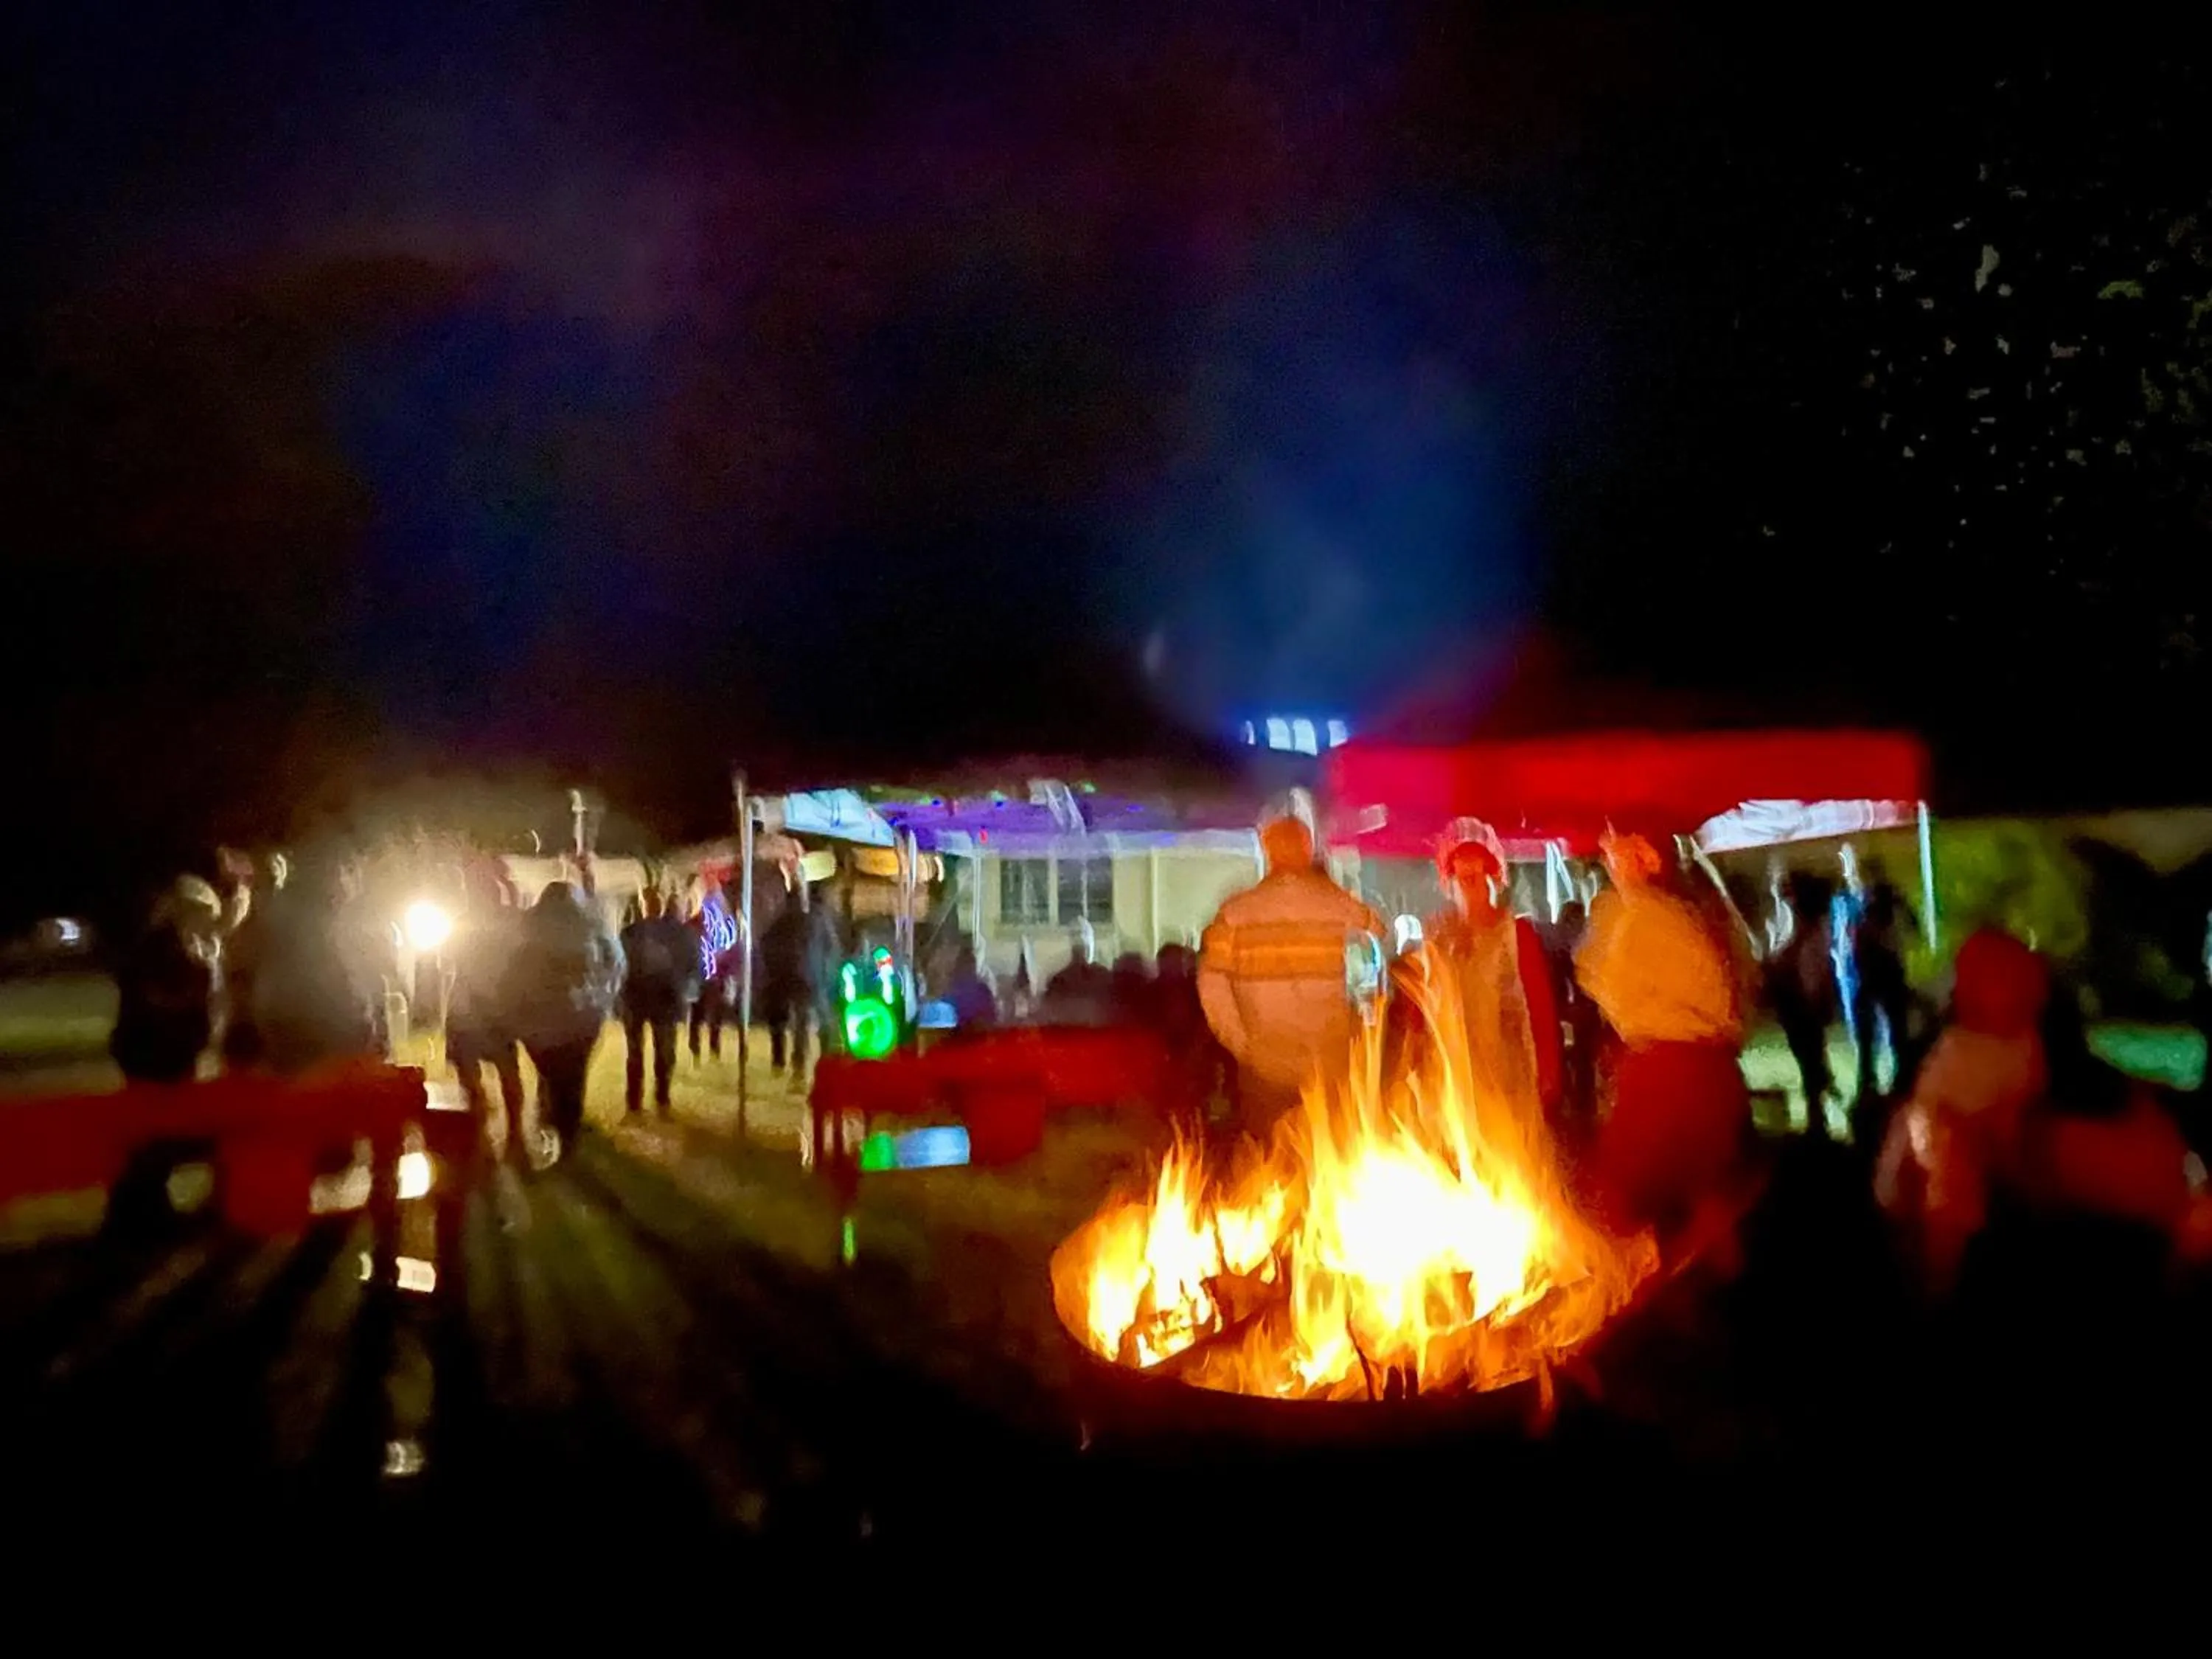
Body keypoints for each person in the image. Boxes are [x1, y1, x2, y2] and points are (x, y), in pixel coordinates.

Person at [1575, 819, 1751, 1253]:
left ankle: (1650, 1292)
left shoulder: (1648, 915)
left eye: (1616, 850)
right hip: (1691, 1069)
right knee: (1698, 1193)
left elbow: (1612, 981)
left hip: (1672, 1071)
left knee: (1627, 1195)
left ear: (1643, 858)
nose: (1606, 858)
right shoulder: (1665, 912)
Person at [1197, 801, 1385, 1140]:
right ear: (1309, 847)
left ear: (1266, 847)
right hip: (1330, 1065)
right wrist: (1357, 1041)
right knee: (1330, 1165)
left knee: (1269, 1170)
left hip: (1266, 1068)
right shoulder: (1347, 911)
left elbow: (1213, 989)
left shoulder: (1236, 915)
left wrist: (1244, 1045)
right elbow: (1373, 979)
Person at [1390, 824, 1563, 1117]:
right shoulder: (1436, 936)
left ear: (1493, 879)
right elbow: (1420, 1006)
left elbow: (1539, 1004)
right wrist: (1412, 1058)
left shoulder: (1514, 934)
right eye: (1462, 875)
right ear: (1449, 881)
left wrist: (1548, 1067)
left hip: (1504, 1068)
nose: (1470, 883)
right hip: (1449, 1068)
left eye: (1478, 875)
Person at [504, 881, 625, 1158]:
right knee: (573, 1075)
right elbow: (616, 964)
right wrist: (603, 997)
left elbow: (511, 967)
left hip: (539, 1020)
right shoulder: (593, 925)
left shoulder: (529, 924)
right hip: (582, 1018)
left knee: (551, 1072)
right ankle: (566, 1129)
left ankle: (552, 1116)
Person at [445, 859, 527, 1161]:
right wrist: (507, 883)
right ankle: (512, 1133)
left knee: (472, 1072)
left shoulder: (464, 922)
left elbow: (451, 962)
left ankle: (483, 1127)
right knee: (506, 1070)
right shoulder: (506, 921)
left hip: (472, 1010)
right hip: (493, 1008)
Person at [109, 877, 223, 1085]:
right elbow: (155, 999)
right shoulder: (158, 953)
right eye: (202, 917)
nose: (206, 926)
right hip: (156, 1054)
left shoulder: (196, 952)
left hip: (161, 1054)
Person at [1770, 873, 1840, 1138]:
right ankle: (1819, 1109)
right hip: (1803, 1009)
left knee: (1811, 1064)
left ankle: (1818, 1119)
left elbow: (1809, 975)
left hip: (1803, 1010)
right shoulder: (1808, 931)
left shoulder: (1809, 934)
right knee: (1811, 1062)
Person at [619, 886, 699, 1116]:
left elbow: (619, 964)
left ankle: (635, 1103)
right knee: (664, 1052)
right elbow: (693, 964)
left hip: (637, 999)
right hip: (666, 999)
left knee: (635, 1053)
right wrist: (686, 989)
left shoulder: (630, 933)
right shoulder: (681, 933)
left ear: (644, 905)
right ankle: (661, 1099)